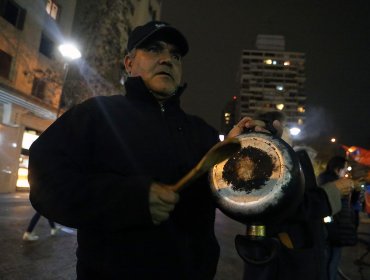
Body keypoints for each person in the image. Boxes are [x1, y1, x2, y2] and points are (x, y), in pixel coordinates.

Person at [29, 21, 223, 280]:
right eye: (154, 49)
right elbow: (45, 183)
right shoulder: (96, 115)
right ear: (129, 63)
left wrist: (249, 145)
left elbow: (232, 194)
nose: (167, 59)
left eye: (175, 55)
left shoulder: (202, 132)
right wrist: (130, 200)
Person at [229, 111, 354, 280]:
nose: (289, 132)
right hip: (284, 260)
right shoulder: (266, 162)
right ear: (277, 128)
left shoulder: (290, 158)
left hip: (301, 254)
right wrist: (332, 192)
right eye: (286, 127)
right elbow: (289, 205)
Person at [317, 156, 356, 280]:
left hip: (335, 228)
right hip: (335, 230)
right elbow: (326, 211)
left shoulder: (324, 181)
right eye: (344, 169)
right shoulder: (335, 184)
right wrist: (331, 226)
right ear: (337, 169)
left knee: (328, 259)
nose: (346, 172)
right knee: (332, 260)